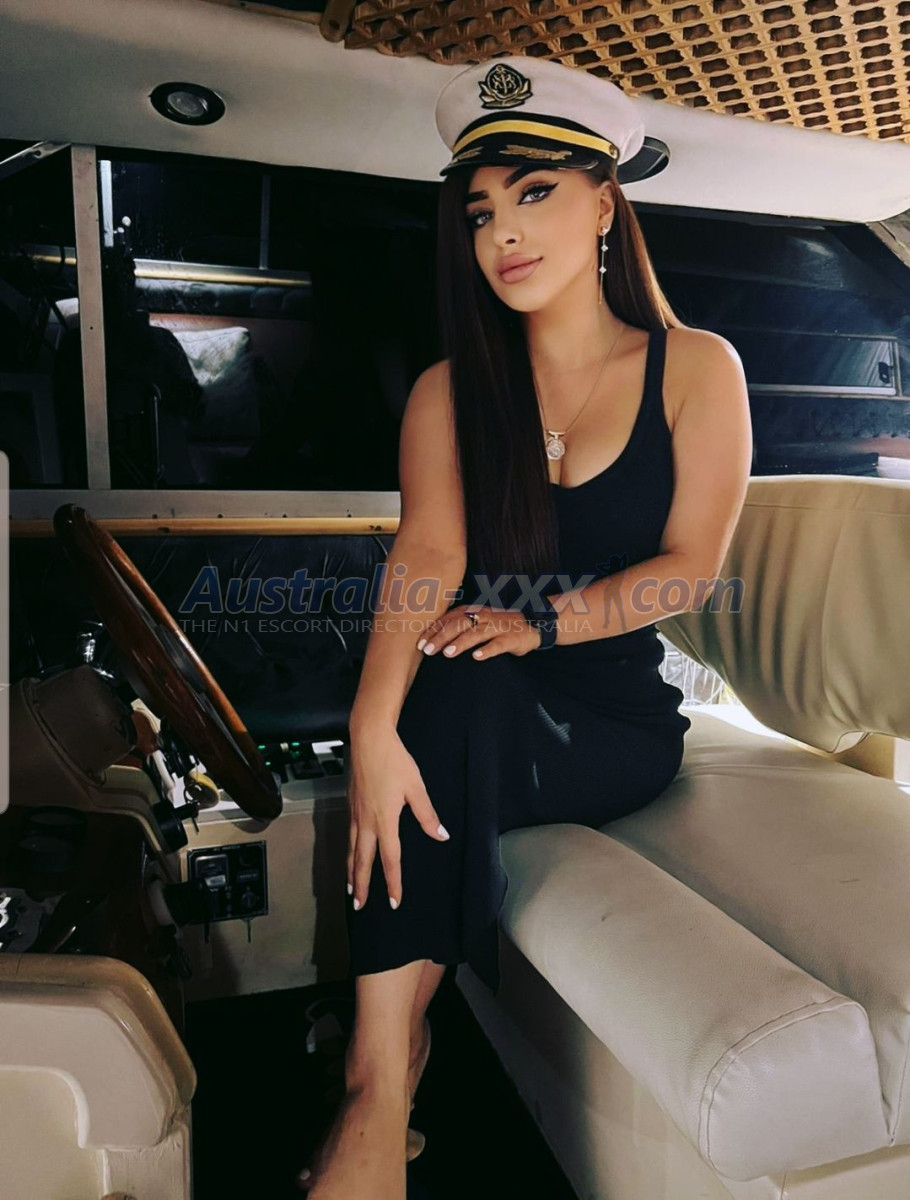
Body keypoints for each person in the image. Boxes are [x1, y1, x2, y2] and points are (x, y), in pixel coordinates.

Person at [295, 55, 753, 1197]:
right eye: (480, 210)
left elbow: (690, 572)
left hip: (611, 721)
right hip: (484, 693)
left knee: (467, 681)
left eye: (535, 192)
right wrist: (368, 726)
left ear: (605, 204)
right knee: (436, 689)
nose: (501, 230)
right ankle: (381, 1076)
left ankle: (375, 1082)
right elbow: (429, 557)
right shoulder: (449, 390)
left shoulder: (695, 369)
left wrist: (542, 626)